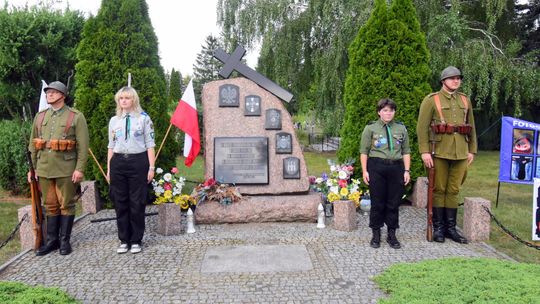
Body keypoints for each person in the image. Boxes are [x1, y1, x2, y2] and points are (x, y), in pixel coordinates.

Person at [28, 81, 89, 256]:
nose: (50, 95)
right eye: (48, 92)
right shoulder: (40, 117)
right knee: (50, 205)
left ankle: (64, 241)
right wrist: (32, 170)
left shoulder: (75, 116)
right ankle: (52, 241)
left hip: (66, 169)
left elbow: (83, 147)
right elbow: (33, 145)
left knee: (66, 204)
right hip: (44, 169)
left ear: (63, 95)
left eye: (54, 92)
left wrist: (79, 169)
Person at [417, 66, 477, 244]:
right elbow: (422, 128)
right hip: (439, 151)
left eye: (458, 78)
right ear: (443, 81)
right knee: (438, 189)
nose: (456, 81)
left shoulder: (465, 100)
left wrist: (472, 150)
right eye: (452, 78)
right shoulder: (431, 100)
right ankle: (439, 228)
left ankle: (451, 228)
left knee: (454, 190)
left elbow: (471, 126)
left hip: (460, 153)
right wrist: (424, 151)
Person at [107, 87, 155, 254]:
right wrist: (109, 169)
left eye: (127, 97)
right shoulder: (114, 120)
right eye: (121, 98)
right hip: (118, 162)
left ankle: (136, 240)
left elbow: (150, 144)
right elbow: (111, 146)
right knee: (120, 202)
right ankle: (123, 240)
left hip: (138, 161)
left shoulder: (144, 119)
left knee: (137, 202)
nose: (124, 101)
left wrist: (151, 167)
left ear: (134, 99)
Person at [360, 98, 411, 249]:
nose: (388, 113)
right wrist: (365, 171)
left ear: (394, 112)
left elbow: (406, 151)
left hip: (396, 168)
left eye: (391, 110)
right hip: (376, 167)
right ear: (379, 112)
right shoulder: (370, 128)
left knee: (393, 202)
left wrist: (407, 170)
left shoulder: (401, 129)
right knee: (377, 202)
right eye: (385, 110)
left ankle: (392, 234)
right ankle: (376, 234)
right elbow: (364, 151)